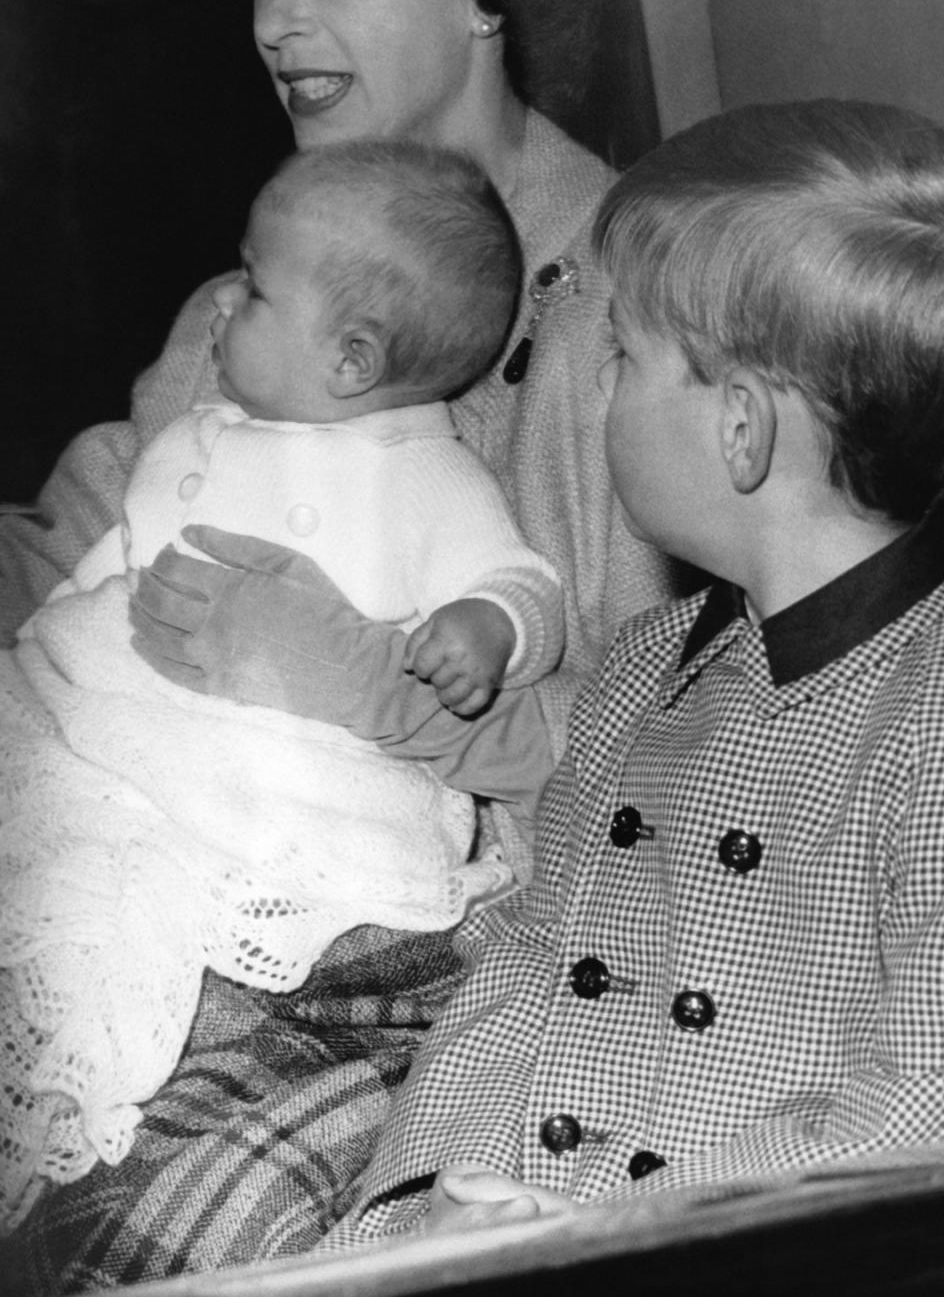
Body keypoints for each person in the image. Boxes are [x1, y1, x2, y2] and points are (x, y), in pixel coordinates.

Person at [0, 0, 678, 1288]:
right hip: (154, 829)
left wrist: (368, 679)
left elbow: (653, 761)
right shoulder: (263, 293)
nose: (273, 20)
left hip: (433, 948)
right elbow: (90, 544)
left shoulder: (639, 314)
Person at [308, 98, 944, 1250]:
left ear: (740, 430)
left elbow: (917, 1111)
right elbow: (527, 967)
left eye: (622, 356)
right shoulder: (650, 668)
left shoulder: (927, 703)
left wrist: (607, 1230)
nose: (595, 392)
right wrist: (433, 1199)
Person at [0, 136, 569, 1231]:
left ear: (350, 360)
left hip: (296, 791)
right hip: (125, 724)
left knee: (144, 896)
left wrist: (487, 626)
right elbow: (104, 573)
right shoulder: (200, 433)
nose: (219, 309)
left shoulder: (426, 475)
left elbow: (518, 580)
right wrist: (49, 650)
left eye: (251, 289)